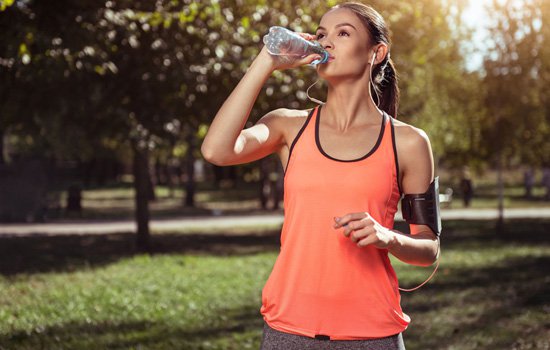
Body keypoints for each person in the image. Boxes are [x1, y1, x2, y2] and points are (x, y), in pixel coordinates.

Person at [201, 2, 440, 349]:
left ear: (377, 52)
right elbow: (216, 150)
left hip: (372, 333)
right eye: (321, 34)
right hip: (288, 329)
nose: (326, 42)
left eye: (343, 33)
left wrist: (387, 237)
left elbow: (429, 248)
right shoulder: (287, 126)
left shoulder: (409, 142)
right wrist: (266, 61)